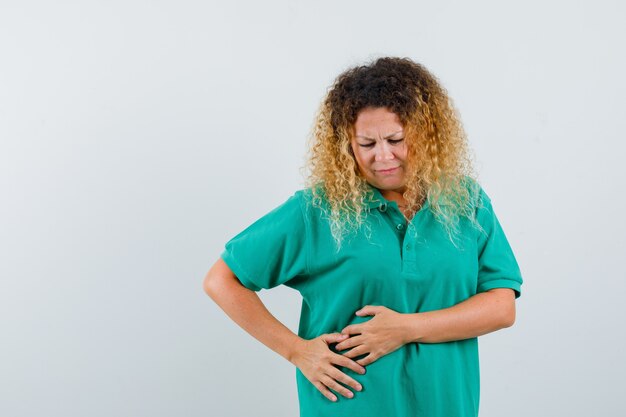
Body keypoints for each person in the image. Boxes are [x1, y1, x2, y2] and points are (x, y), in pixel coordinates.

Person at [203, 56, 523, 417]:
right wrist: (297, 351)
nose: (383, 156)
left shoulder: (466, 202)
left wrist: (405, 328)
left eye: (396, 139)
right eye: (367, 144)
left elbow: (501, 306)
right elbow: (222, 279)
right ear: (346, 145)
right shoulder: (316, 211)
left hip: (446, 405)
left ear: (427, 133)